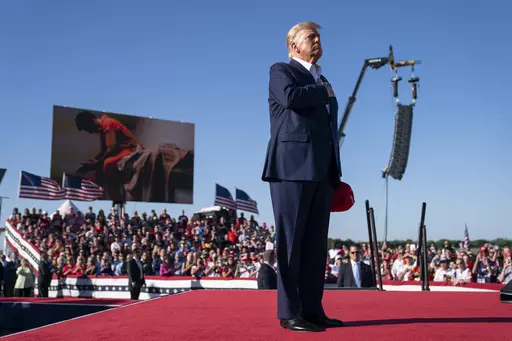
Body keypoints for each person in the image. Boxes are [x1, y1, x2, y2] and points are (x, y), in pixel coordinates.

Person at [261, 21, 343, 332]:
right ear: (294, 44)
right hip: (291, 169)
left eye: (319, 36)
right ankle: (289, 313)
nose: (318, 41)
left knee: (315, 247)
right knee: (291, 244)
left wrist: (335, 168)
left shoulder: (324, 80)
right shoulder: (281, 70)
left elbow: (330, 131)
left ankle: (313, 310)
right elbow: (289, 97)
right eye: (312, 36)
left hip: (322, 172)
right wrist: (322, 91)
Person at [74, 110, 141, 201]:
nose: (89, 132)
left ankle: (117, 198)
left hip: (132, 151)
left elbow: (111, 148)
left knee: (108, 164)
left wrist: (96, 164)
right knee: (98, 170)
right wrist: (93, 162)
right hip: (121, 151)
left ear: (90, 122)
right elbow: (105, 152)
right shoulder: (103, 128)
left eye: (87, 129)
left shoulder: (108, 123)